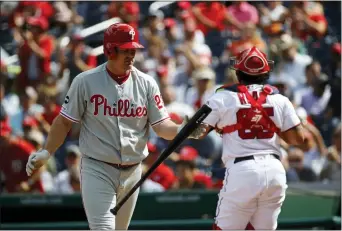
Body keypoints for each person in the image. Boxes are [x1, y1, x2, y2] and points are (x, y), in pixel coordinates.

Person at [25, 23, 203, 230]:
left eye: (133, 50)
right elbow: (64, 121)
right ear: (110, 50)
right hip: (97, 168)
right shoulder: (85, 81)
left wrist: (183, 130)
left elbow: (161, 126)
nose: (131, 55)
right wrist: (47, 151)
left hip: (133, 171)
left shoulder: (146, 83)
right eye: (125, 50)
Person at [196, 47, 305, 230]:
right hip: (275, 171)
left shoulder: (223, 97)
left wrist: (222, 124)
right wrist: (267, 124)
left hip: (242, 170)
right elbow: (298, 138)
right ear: (265, 73)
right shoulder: (280, 99)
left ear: (238, 73)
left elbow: (197, 132)